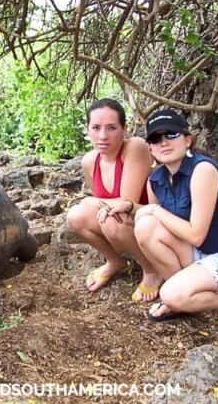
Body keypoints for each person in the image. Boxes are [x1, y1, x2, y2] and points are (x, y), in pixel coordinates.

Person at [131, 108, 218, 341]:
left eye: (171, 135)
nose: (164, 143)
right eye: (155, 139)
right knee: (145, 226)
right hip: (198, 255)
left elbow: (196, 234)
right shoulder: (156, 180)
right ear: (150, 148)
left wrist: (154, 210)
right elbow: (158, 224)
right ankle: (180, 296)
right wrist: (140, 211)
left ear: (187, 140)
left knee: (170, 292)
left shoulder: (203, 170)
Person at [66, 98, 161, 302]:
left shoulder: (135, 147)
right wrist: (92, 204)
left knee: (111, 220)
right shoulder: (89, 161)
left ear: (124, 129)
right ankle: (115, 261)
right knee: (75, 217)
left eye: (111, 128)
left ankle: (152, 269)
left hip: (147, 218)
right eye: (96, 128)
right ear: (87, 129)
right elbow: (101, 202)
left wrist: (92, 203)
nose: (102, 136)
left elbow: (126, 201)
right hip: (121, 224)